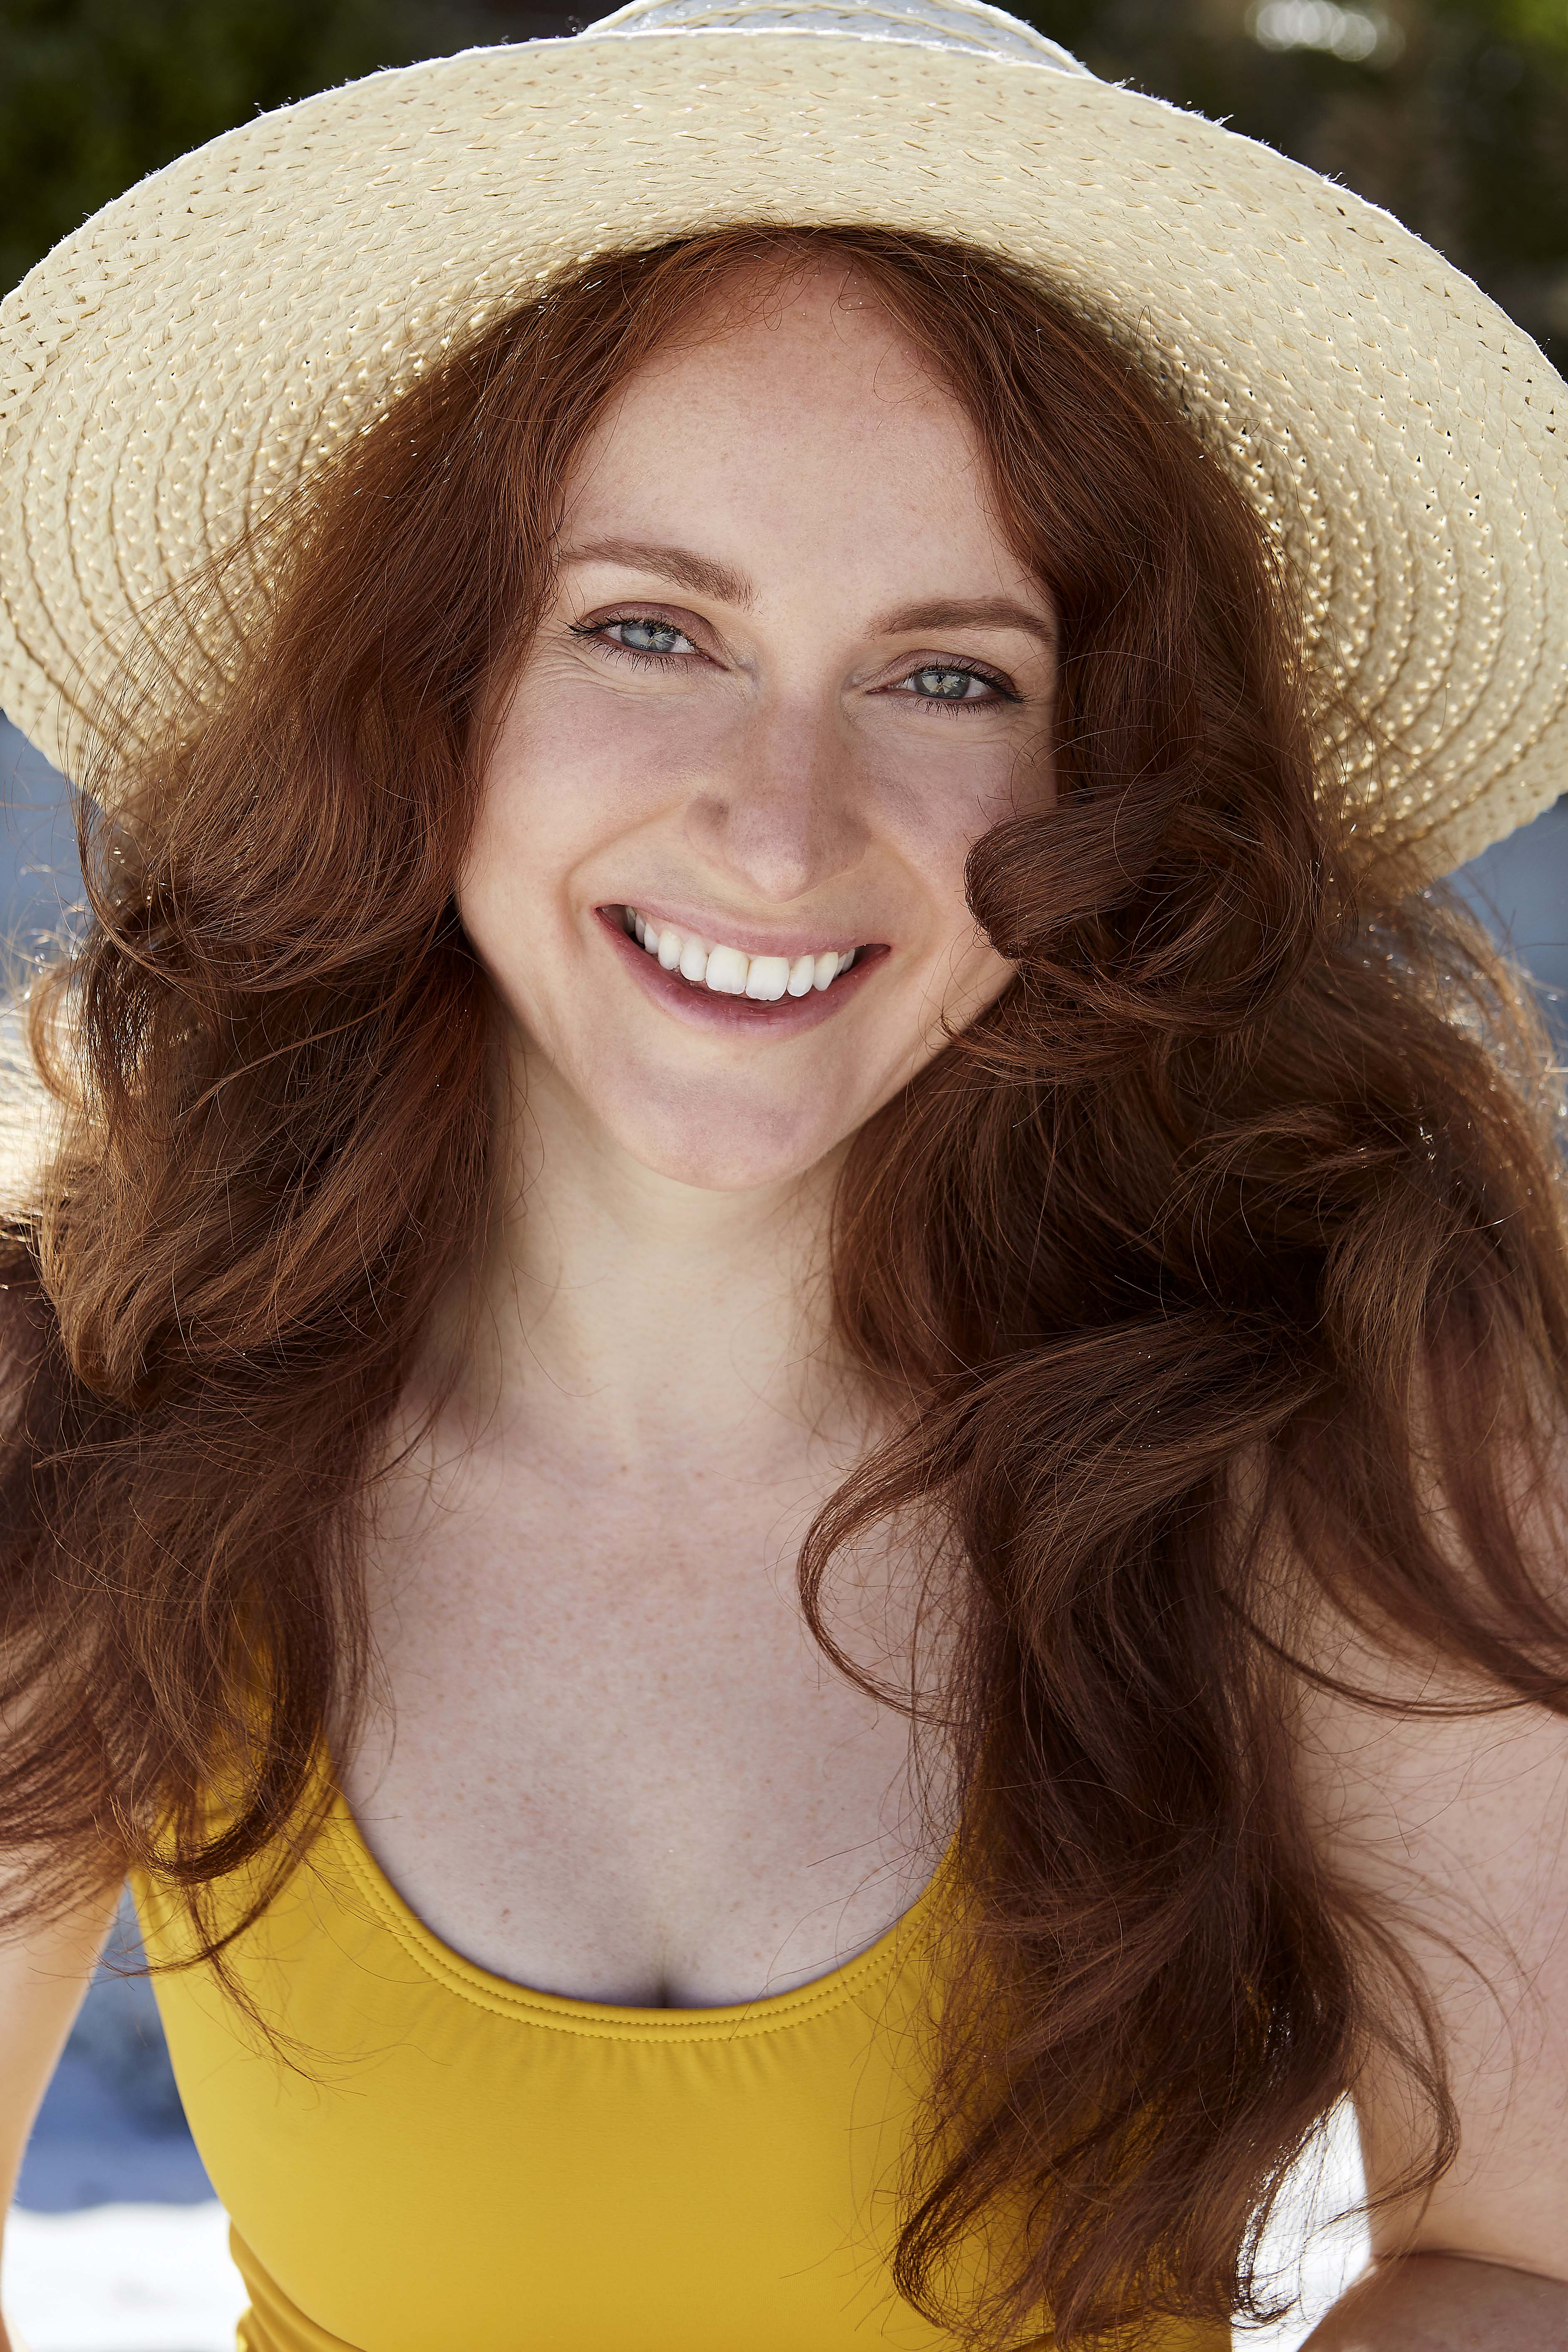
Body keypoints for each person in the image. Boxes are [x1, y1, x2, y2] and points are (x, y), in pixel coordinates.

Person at [0, 3, 1565, 2346]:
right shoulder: (93, 1387)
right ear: (429, 691)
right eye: (654, 629)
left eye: (951, 676)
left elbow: (1528, 2253)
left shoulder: (1328, 1388)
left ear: (1103, 780)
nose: (779, 823)